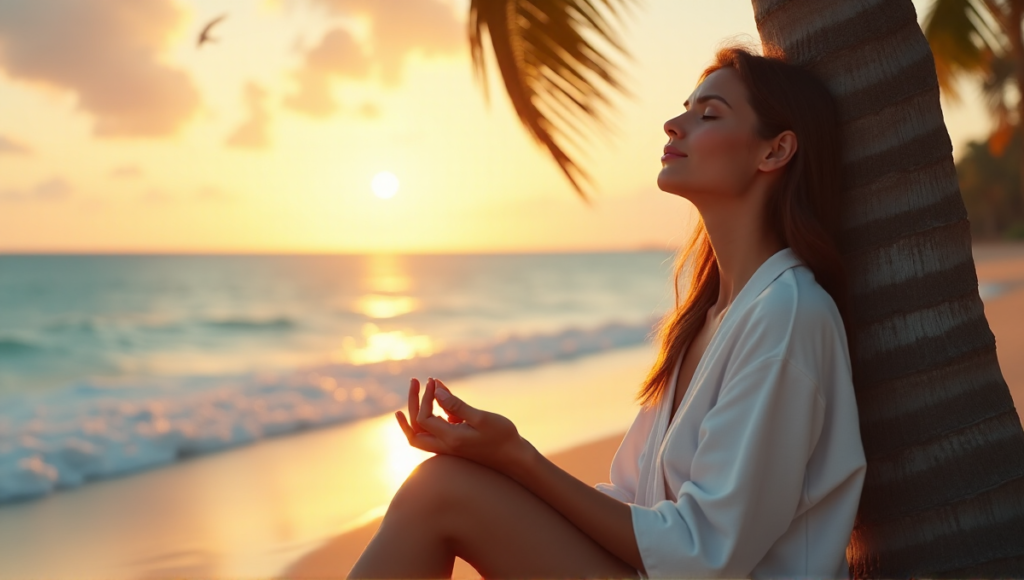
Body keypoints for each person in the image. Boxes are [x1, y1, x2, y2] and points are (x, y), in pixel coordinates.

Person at [347, 45, 867, 579]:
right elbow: (630, 500)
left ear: (775, 151)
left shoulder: (789, 316)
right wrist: (499, 461)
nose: (673, 125)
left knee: (441, 492)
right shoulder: (708, 318)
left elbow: (702, 555)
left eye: (709, 115)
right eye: (685, 109)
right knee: (441, 485)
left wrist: (519, 457)